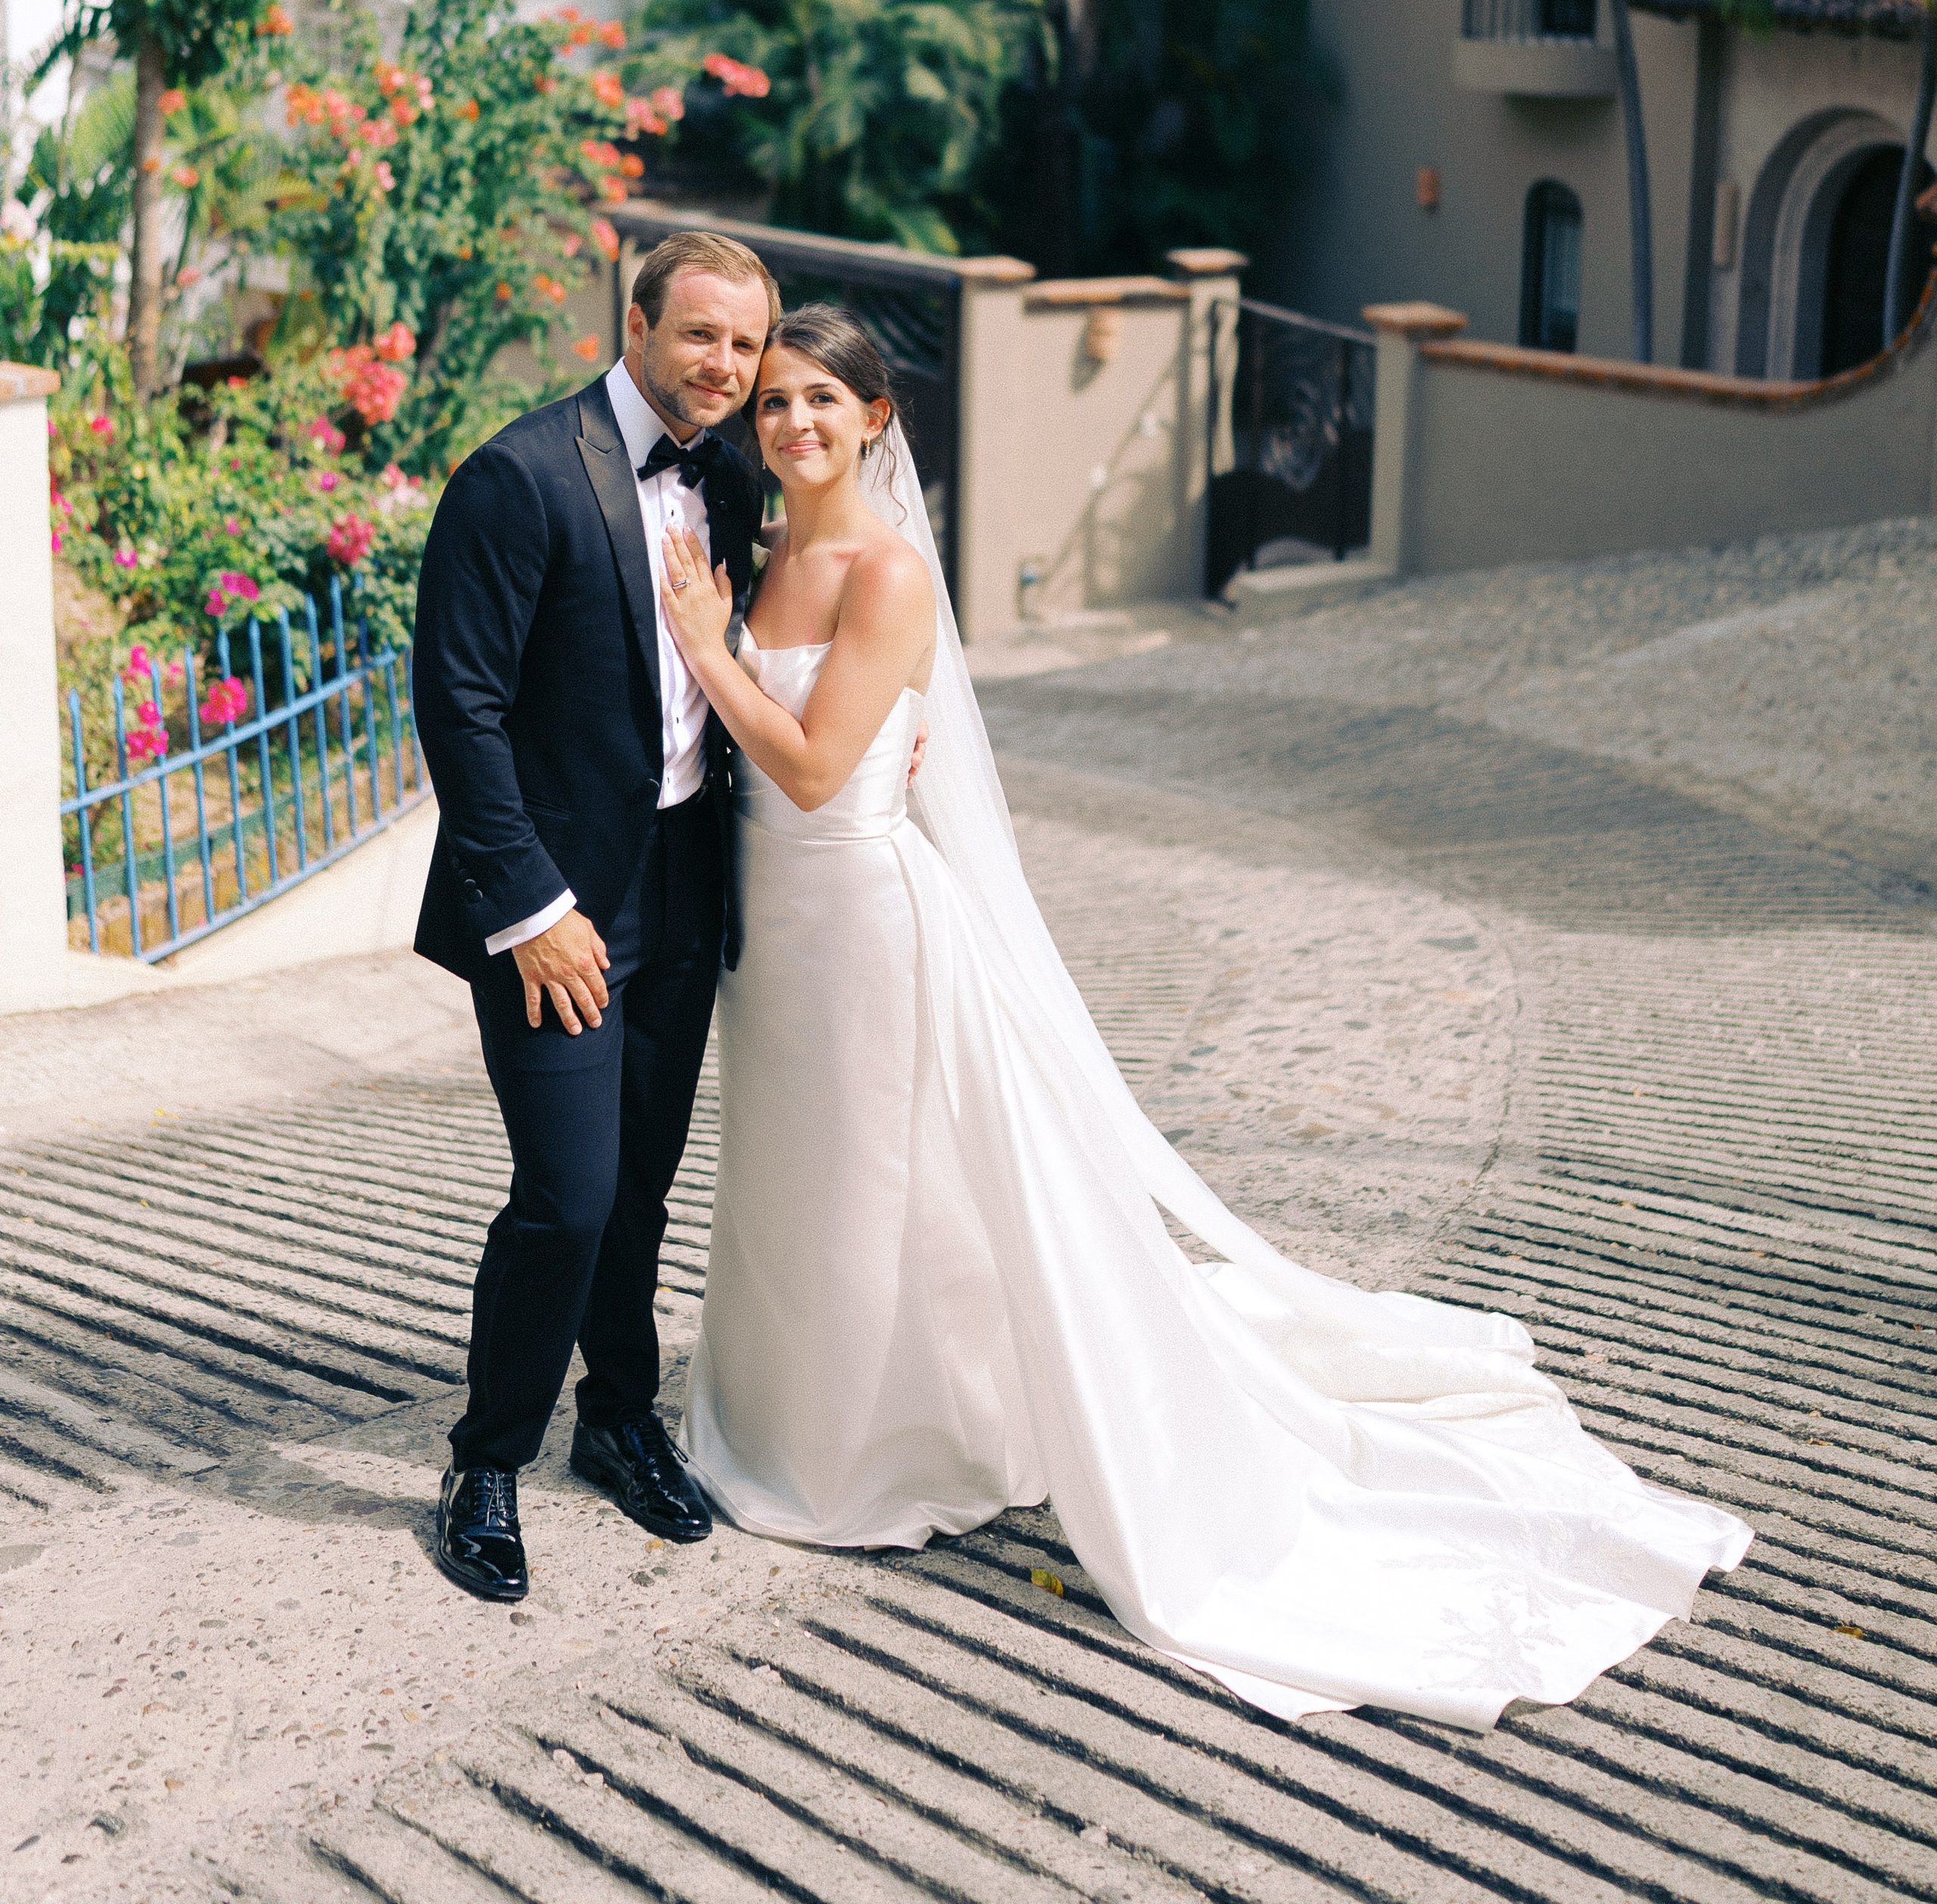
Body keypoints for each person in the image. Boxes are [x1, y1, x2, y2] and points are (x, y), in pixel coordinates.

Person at [657, 303, 1754, 1729]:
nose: (793, 423)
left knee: (874, 1179)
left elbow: (809, 769)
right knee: (804, 1183)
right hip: (777, 934)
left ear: (878, 418)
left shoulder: (885, 570)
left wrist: (706, 647)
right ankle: (808, 1422)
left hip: (861, 920)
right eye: (776, 403)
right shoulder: (774, 542)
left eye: (821, 400)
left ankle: (880, 1453)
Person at [409, 231, 776, 1604]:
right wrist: (533, 908)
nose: (726, 368)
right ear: (635, 324)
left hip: (684, 879)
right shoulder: (517, 476)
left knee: (642, 1186)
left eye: (744, 345)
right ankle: (486, 1457)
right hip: (555, 907)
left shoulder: (733, 470)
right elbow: (462, 707)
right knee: (566, 1194)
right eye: (701, 337)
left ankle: (618, 1419)